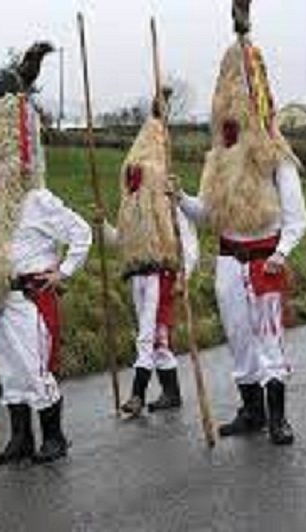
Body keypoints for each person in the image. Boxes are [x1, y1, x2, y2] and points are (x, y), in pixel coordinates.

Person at [177, 0, 306, 446]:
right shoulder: (216, 161)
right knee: (238, 338)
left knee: (269, 340)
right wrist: (179, 199)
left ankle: (278, 418)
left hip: (263, 262)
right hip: (228, 263)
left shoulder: (275, 156)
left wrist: (280, 255)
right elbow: (209, 215)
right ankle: (251, 410)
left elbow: (298, 219)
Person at [0, 43, 92, 465]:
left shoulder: (38, 199)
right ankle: (20, 439)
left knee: (37, 372)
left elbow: (82, 233)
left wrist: (64, 271)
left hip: (30, 300)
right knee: (10, 374)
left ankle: (54, 438)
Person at [102, 94, 199, 418]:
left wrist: (186, 275)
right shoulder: (134, 211)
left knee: (147, 334)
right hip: (138, 276)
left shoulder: (167, 202)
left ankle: (137, 395)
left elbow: (188, 242)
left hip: (162, 275)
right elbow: (122, 241)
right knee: (157, 339)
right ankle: (171, 392)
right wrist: (101, 225)